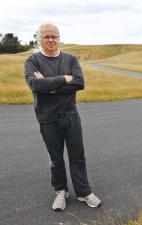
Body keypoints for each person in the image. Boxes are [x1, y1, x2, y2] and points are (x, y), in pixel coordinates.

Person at [24, 22, 101, 211]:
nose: (51, 40)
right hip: (47, 118)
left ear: (59, 39)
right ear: (39, 39)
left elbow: (80, 83)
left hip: (71, 115)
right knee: (56, 158)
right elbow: (35, 85)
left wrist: (49, 87)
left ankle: (83, 192)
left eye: (54, 36)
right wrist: (65, 79)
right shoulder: (32, 61)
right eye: (46, 36)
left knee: (78, 157)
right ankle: (61, 191)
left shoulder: (70, 59)